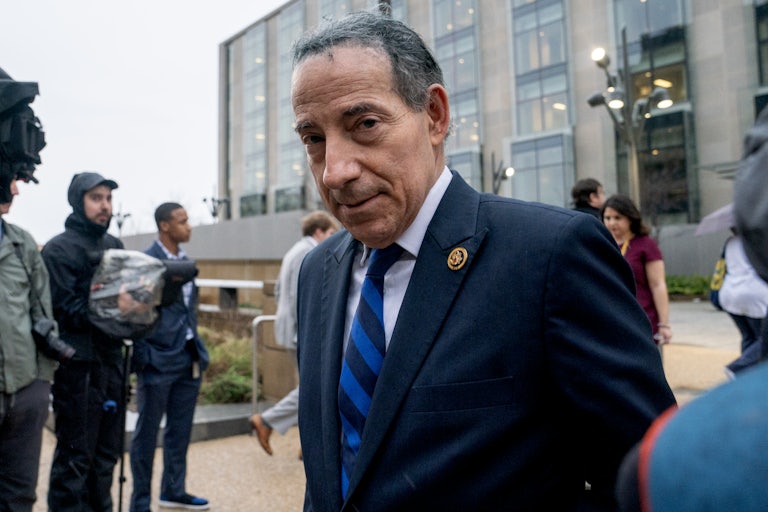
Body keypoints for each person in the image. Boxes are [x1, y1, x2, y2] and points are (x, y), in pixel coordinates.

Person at [291, 10, 676, 511]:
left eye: (364, 124)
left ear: (434, 115)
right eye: (314, 139)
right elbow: (335, 470)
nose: (335, 170)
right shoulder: (317, 271)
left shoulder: (550, 255)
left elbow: (645, 477)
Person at [42, 171, 136, 511]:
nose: (105, 206)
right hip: (77, 370)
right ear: (78, 201)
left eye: (108, 199)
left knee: (107, 456)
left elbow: (128, 304)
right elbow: (63, 312)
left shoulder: (115, 247)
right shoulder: (58, 250)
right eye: (96, 198)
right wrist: (114, 305)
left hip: (112, 363)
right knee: (75, 457)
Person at [129, 202, 210, 512]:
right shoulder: (147, 261)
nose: (188, 226)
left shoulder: (187, 262)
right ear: (165, 226)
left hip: (188, 357)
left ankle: (173, 491)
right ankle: (139, 503)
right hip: (157, 359)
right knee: (146, 435)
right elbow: (136, 312)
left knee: (180, 430)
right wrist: (144, 355)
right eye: (182, 221)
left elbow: (188, 312)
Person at [250, 210, 338, 456]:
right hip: (301, 332)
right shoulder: (307, 252)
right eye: (331, 233)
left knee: (311, 386)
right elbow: (302, 295)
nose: (334, 237)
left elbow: (279, 291)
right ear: (318, 232)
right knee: (313, 387)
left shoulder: (294, 251)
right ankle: (267, 421)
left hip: (291, 328)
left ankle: (307, 442)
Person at [0, 179, 59, 511]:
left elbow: (42, 317)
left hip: (25, 391)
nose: (16, 191)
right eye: (8, 180)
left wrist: (39, 387)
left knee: (19, 495)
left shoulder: (21, 243)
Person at [602, 194, 672, 346]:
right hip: (611, 320)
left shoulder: (646, 244)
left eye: (617, 217)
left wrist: (664, 324)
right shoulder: (603, 244)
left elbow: (658, 285)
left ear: (630, 218)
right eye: (607, 218)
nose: (611, 223)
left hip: (642, 320)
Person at [717, 233, 768, 378]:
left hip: (730, 293)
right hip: (756, 294)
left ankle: (744, 380)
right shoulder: (759, 238)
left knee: (749, 337)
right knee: (763, 340)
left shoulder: (730, 241)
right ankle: (738, 368)